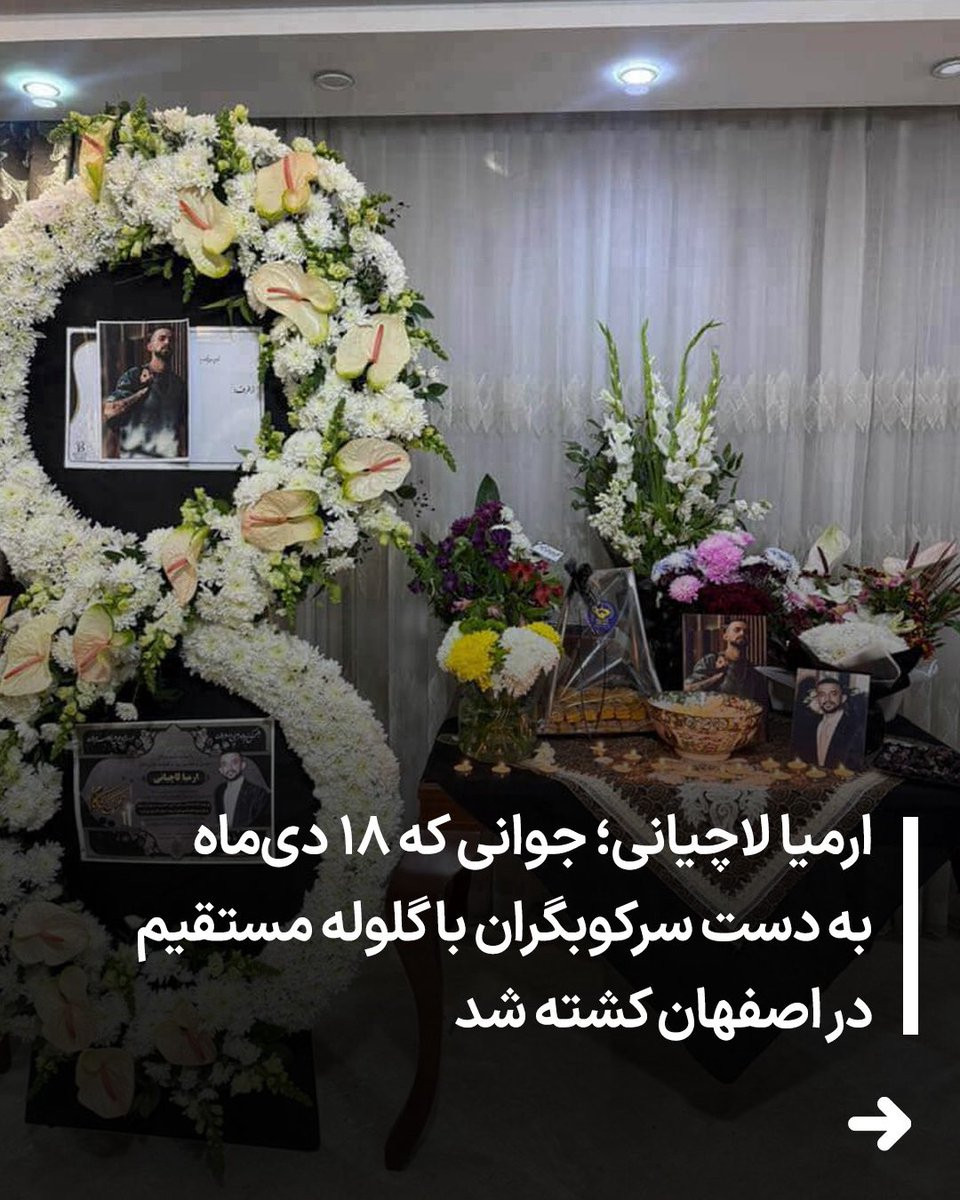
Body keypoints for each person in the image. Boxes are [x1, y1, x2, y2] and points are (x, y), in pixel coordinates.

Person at [102, 325, 187, 459]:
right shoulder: (134, 376)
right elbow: (109, 412)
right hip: (136, 459)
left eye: (171, 340)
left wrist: (183, 456)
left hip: (169, 461)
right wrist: (141, 392)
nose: (167, 342)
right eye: (162, 338)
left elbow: (181, 426)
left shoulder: (179, 384)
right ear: (150, 346)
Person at [684, 618, 766, 704]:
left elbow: (761, 704)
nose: (742, 633)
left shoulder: (751, 670)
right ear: (726, 636)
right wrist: (715, 678)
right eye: (737, 630)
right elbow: (687, 689)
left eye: (746, 632)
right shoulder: (711, 660)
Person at [792, 675, 866, 769]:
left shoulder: (855, 728)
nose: (827, 699)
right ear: (817, 699)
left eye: (833, 694)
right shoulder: (812, 725)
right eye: (822, 694)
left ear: (843, 698)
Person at [214, 752, 271, 832]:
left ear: (243, 765)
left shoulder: (258, 793)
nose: (230, 768)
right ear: (221, 770)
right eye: (224, 764)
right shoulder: (219, 791)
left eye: (234, 762)